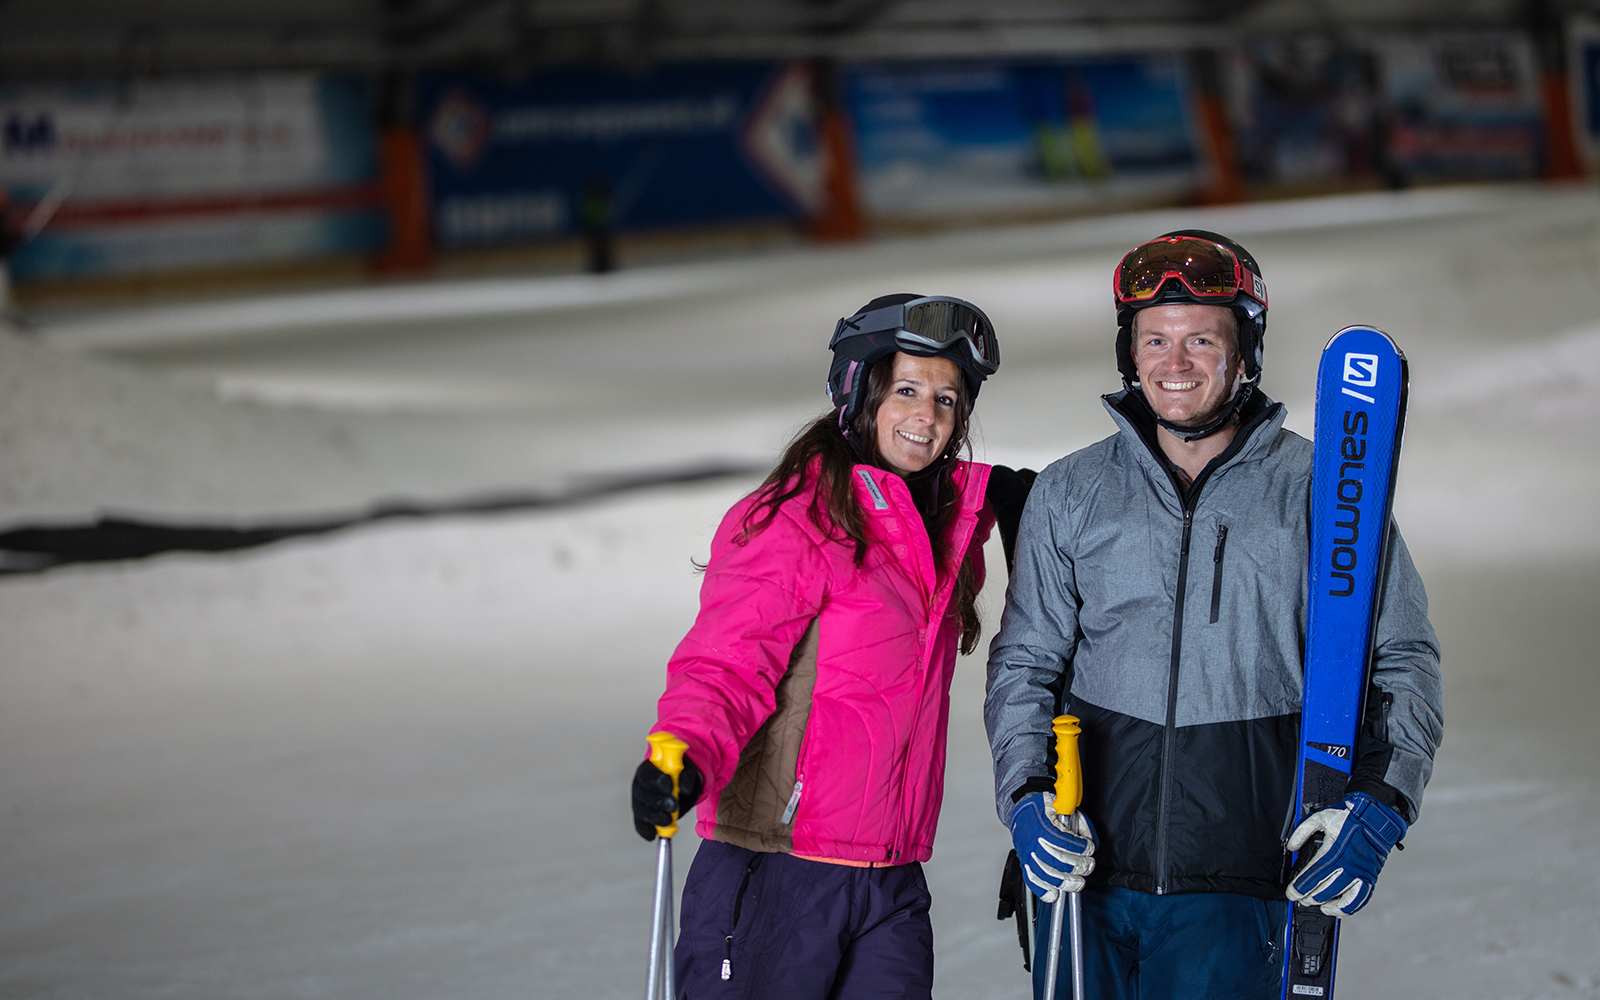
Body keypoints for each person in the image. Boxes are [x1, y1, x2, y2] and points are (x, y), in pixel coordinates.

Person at [985, 231, 1443, 999]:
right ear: (1129, 353)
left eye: (1201, 339)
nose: (1176, 361)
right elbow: (1025, 665)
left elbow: (1402, 661)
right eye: (1154, 340)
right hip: (1083, 876)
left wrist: (1379, 805)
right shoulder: (1071, 492)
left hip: (1240, 884)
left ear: (1244, 354)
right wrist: (1027, 796)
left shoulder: (1323, 492)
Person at [631, 293, 1003, 1000]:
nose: (927, 416)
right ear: (859, 391)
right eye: (906, 390)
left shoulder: (937, 534)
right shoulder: (796, 519)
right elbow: (728, 661)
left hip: (890, 882)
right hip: (778, 869)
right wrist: (685, 751)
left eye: (947, 399)